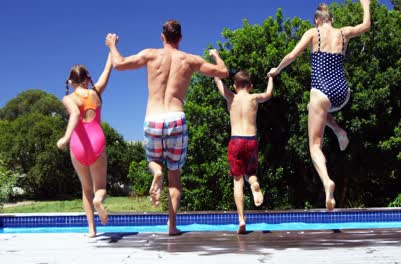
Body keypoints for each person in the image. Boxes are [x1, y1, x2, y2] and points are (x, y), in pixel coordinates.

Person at [105, 20, 229, 236]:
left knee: (153, 160)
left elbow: (119, 64)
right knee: (176, 176)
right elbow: (223, 72)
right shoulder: (190, 60)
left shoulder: (151, 54)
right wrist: (216, 56)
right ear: (180, 38)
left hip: (153, 118)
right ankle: (172, 226)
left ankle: (156, 171)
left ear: (162, 37)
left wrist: (112, 45)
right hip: (176, 118)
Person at [268, 0, 371, 211]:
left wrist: (276, 70)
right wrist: (366, 5)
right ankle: (339, 131)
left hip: (321, 91)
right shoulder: (344, 33)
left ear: (317, 20)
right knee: (312, 109)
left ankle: (327, 182)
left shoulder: (313, 33)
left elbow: (292, 55)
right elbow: (366, 25)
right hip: (342, 92)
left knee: (314, 145)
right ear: (331, 19)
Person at [57, 53, 113, 237]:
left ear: (71, 82)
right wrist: (112, 49)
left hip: (78, 146)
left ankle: (91, 230)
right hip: (97, 142)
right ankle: (99, 200)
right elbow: (107, 70)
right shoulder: (95, 92)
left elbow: (74, 115)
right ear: (87, 80)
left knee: (85, 189)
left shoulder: (69, 98)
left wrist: (65, 138)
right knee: (100, 188)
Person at [214, 70, 273, 234]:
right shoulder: (254, 98)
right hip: (251, 140)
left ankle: (241, 219)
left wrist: (215, 62)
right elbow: (268, 94)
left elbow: (217, 80)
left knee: (237, 181)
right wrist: (270, 78)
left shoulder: (230, 97)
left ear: (234, 86)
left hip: (236, 141)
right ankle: (254, 184)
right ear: (251, 86)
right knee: (251, 172)